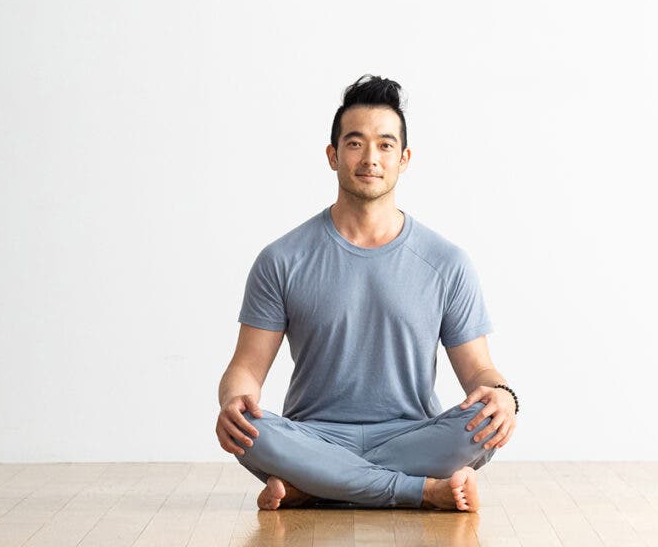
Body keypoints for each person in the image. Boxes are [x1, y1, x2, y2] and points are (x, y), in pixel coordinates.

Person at [215, 75, 518, 512]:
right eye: (355, 143)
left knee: (478, 426)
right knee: (252, 432)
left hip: (412, 435)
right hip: (313, 435)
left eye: (385, 145)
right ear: (333, 156)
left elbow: (480, 372)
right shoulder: (281, 259)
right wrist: (233, 402)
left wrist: (505, 399)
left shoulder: (446, 262)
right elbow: (245, 368)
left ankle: (318, 484)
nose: (370, 158)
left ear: (404, 158)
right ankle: (419, 491)